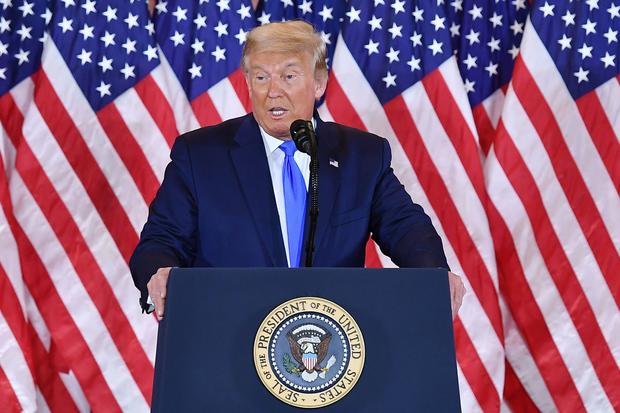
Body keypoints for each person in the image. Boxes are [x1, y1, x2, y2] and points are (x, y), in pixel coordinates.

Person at [129, 20, 465, 321]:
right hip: (227, 336)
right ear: (247, 82)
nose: (273, 91)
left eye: (289, 76)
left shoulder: (362, 156)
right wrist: (159, 272)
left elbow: (406, 228)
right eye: (261, 77)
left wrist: (432, 275)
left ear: (319, 84)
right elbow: (161, 239)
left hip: (331, 347)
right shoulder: (200, 155)